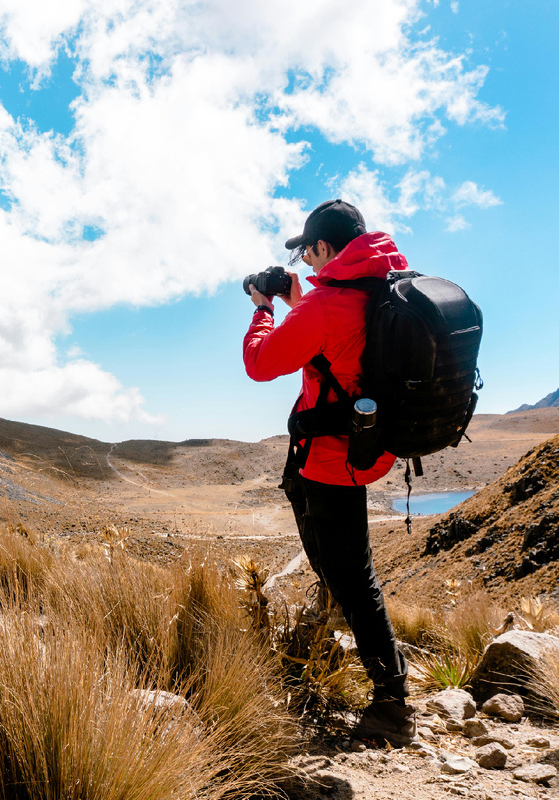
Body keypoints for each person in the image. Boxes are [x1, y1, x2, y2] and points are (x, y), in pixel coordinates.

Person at [242, 199, 416, 746]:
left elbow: (261, 363)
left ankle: (392, 704)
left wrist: (263, 308)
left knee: (352, 578)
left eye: (309, 253)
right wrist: (300, 299)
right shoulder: (381, 288)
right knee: (344, 569)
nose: (308, 263)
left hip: (330, 460)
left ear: (322, 246)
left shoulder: (325, 304)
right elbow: (339, 346)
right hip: (361, 449)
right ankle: (349, 650)